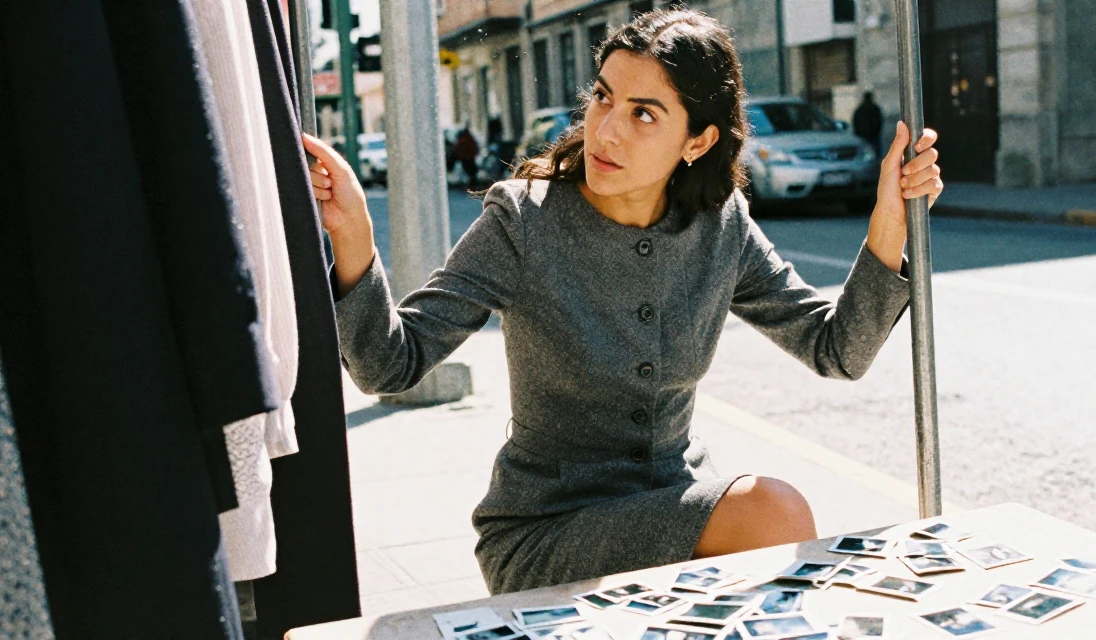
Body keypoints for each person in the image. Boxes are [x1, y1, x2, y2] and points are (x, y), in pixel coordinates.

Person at [301, 8, 943, 595]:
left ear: (698, 142)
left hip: (681, 508)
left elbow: (838, 351)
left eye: (644, 113)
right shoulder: (524, 219)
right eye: (603, 97)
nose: (605, 130)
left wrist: (888, 221)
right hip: (547, 528)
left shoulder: (721, 225)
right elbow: (391, 365)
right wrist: (354, 232)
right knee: (773, 511)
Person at [853, 91, 884, 157]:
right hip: (872, 136)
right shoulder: (874, 108)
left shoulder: (860, 109)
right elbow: (879, 121)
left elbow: (855, 122)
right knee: (875, 153)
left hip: (864, 136)